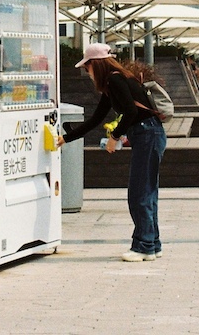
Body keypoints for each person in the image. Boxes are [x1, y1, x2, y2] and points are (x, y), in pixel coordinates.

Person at [57, 43, 166, 261]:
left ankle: (143, 246)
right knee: (146, 191)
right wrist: (66, 138)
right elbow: (97, 118)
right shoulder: (115, 81)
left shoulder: (115, 80)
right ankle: (152, 244)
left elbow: (131, 111)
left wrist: (114, 137)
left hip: (146, 134)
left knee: (139, 193)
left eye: (86, 68)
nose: (86, 72)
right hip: (150, 134)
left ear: (94, 65)